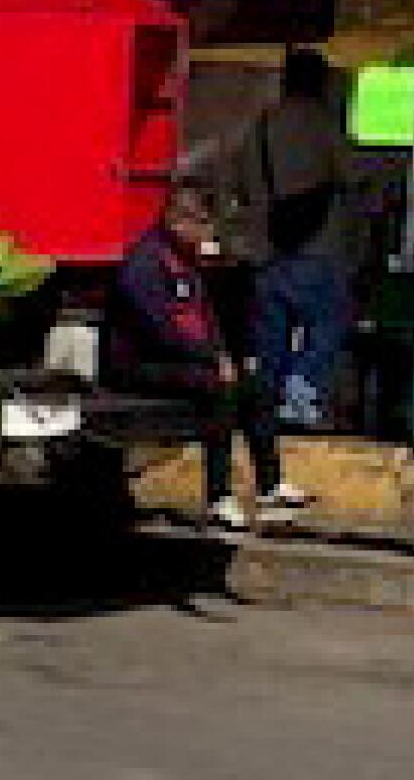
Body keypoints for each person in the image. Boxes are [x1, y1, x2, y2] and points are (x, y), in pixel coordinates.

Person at [105, 182, 303, 531]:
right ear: (177, 221)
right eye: (201, 224)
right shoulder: (144, 265)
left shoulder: (187, 265)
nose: (206, 233)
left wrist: (227, 354)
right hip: (141, 364)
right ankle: (218, 495)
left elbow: (205, 318)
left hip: (188, 358)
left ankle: (270, 485)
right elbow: (159, 330)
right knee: (217, 390)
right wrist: (210, 359)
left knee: (255, 387)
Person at [238, 47, 355, 429]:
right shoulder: (322, 122)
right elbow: (350, 175)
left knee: (271, 332)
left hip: (267, 247)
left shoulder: (261, 125)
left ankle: (266, 403)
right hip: (316, 246)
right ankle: (302, 387)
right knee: (328, 320)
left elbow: (243, 184)